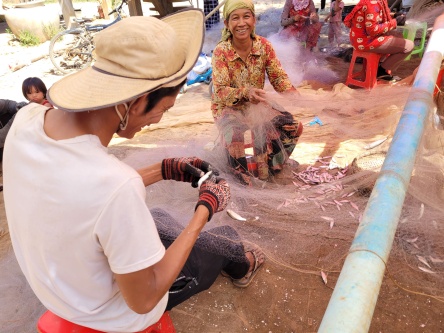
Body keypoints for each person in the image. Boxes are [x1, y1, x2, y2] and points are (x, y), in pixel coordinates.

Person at [3, 11, 264, 332]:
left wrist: (163, 169)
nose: (159, 121)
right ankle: (239, 264)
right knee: (218, 243)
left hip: (57, 293)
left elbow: (84, 197)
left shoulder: (26, 121)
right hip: (111, 317)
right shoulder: (114, 185)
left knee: (155, 221)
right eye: (163, 109)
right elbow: (144, 299)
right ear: (136, 103)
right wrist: (205, 209)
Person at [211, 0, 303, 186]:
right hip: (228, 107)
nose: (241, 23)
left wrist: (293, 93)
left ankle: (272, 167)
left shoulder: (264, 47)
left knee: (292, 126)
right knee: (234, 135)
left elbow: (278, 78)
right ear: (227, 24)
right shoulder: (221, 51)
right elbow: (220, 91)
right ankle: (242, 179)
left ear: (254, 20)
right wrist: (246, 93)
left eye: (246, 16)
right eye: (235, 18)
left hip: (257, 105)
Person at [343, 0, 414, 80]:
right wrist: (395, 22)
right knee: (408, 46)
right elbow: (373, 30)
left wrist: (394, 15)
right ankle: (381, 71)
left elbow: (375, 15)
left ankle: (380, 65)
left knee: (398, 35)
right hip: (365, 42)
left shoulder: (375, 2)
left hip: (362, 39)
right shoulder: (372, 3)